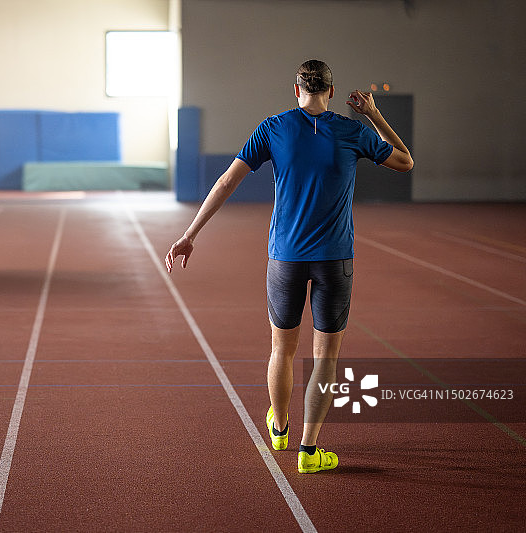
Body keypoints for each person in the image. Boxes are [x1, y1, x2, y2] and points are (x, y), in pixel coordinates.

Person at [165, 60, 413, 473]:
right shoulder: (352, 131)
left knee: (281, 348)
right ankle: (309, 452)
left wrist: (190, 234)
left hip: (286, 258)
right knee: (325, 359)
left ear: (295, 89)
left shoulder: (273, 128)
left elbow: (227, 181)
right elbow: (405, 161)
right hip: (335, 259)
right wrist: (373, 114)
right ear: (331, 92)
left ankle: (279, 430)